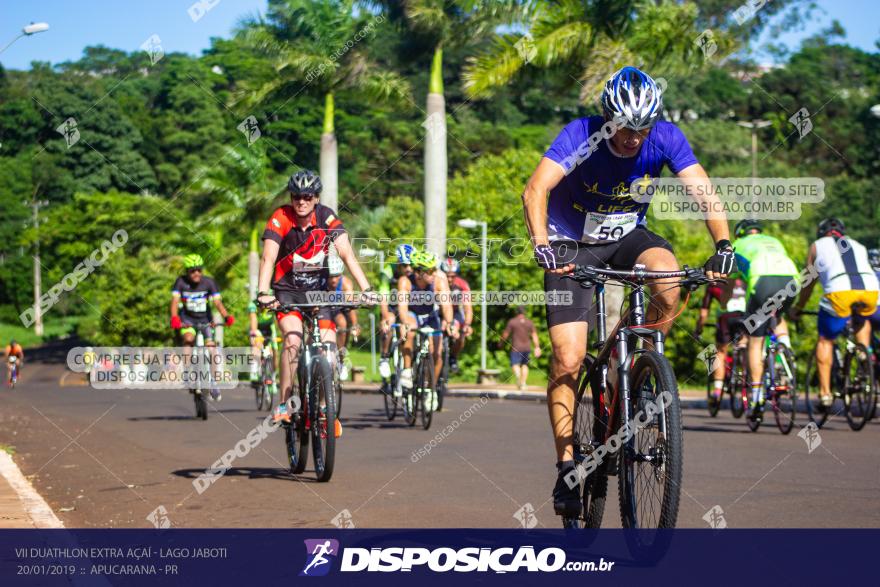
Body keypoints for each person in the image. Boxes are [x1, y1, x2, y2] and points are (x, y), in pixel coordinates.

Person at [522, 66, 735, 519]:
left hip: (625, 237)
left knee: (669, 275)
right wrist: (542, 245)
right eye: (624, 127)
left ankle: (635, 363)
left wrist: (723, 245)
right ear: (606, 117)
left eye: (642, 128)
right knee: (568, 356)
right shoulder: (580, 133)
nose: (633, 138)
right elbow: (535, 189)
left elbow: (705, 192)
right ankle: (566, 466)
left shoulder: (666, 137)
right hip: (570, 243)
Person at [255, 170, 372, 427]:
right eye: (297, 196)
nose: (301, 202)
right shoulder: (281, 217)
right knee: (293, 341)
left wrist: (367, 288)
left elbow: (346, 254)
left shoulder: (326, 216)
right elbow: (268, 257)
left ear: (316, 198)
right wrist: (263, 292)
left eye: (307, 197)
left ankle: (322, 408)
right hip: (286, 292)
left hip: (317, 295)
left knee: (328, 352)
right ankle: (285, 403)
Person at [790, 218, 879, 407]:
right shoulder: (858, 245)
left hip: (839, 292)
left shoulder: (817, 246)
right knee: (862, 318)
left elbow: (808, 282)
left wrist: (798, 308)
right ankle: (864, 353)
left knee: (825, 340)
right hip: (871, 291)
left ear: (821, 233)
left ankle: (825, 395)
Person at [730, 219, 799, 416]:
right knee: (778, 313)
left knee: (755, 340)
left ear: (740, 234)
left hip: (762, 282)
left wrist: (724, 302)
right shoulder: (773, 241)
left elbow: (729, 284)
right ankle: (786, 353)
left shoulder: (737, 245)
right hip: (791, 280)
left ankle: (757, 396)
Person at [397, 249, 458, 411]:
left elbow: (446, 305)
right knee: (410, 328)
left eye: (434, 269)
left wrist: (450, 322)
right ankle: (408, 370)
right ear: (418, 272)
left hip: (430, 316)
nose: (434, 273)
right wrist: (404, 322)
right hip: (413, 314)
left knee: (437, 353)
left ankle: (430, 390)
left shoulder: (438, 281)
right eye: (429, 270)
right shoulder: (405, 281)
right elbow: (402, 308)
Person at [170, 254, 234, 401]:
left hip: (206, 321)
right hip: (188, 320)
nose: (196, 273)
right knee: (188, 339)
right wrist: (175, 318)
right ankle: (186, 372)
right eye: (192, 270)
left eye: (199, 270)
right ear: (187, 271)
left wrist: (226, 316)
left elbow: (218, 303)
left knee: (212, 350)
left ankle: (214, 383)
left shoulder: (209, 283)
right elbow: (174, 302)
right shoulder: (180, 282)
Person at [695, 276, 747, 405]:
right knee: (748, 347)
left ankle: (717, 390)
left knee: (720, 352)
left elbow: (703, 314)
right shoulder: (744, 279)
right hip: (746, 317)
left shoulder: (714, 283)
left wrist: (699, 330)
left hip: (726, 318)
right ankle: (748, 382)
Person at [378, 245, 414, 379]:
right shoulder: (388, 272)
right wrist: (385, 316)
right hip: (391, 306)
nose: (409, 269)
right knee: (390, 322)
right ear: (398, 263)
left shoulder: (415, 273)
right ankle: (385, 357)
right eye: (405, 265)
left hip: (408, 308)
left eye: (411, 265)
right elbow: (383, 297)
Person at [327, 254, 359, 380]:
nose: (334, 280)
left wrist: (355, 324)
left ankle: (341, 359)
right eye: (330, 276)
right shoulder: (321, 282)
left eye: (336, 276)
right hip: (323, 310)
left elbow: (350, 307)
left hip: (339, 311)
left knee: (343, 323)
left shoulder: (346, 284)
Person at [440, 257, 473, 374]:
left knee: (460, 335)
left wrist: (467, 324)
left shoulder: (462, 285)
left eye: (452, 276)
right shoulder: (436, 282)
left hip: (455, 313)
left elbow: (468, 308)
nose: (449, 279)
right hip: (438, 312)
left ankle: (453, 357)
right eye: (446, 275)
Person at [500, 306, 540, 390]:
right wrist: (537, 347)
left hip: (516, 347)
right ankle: (523, 383)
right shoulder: (529, 322)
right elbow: (534, 335)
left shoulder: (512, 322)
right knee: (524, 365)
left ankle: (518, 378)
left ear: (516, 312)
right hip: (527, 348)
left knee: (515, 364)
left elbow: (506, 333)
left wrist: (501, 342)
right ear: (524, 312)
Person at [248, 298, 278, 390]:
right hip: (258, 328)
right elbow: (253, 319)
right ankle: (254, 372)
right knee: (256, 345)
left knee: (274, 353)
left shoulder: (274, 303)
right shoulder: (253, 304)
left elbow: (277, 319)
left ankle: (272, 376)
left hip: (269, 328)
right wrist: (253, 333)